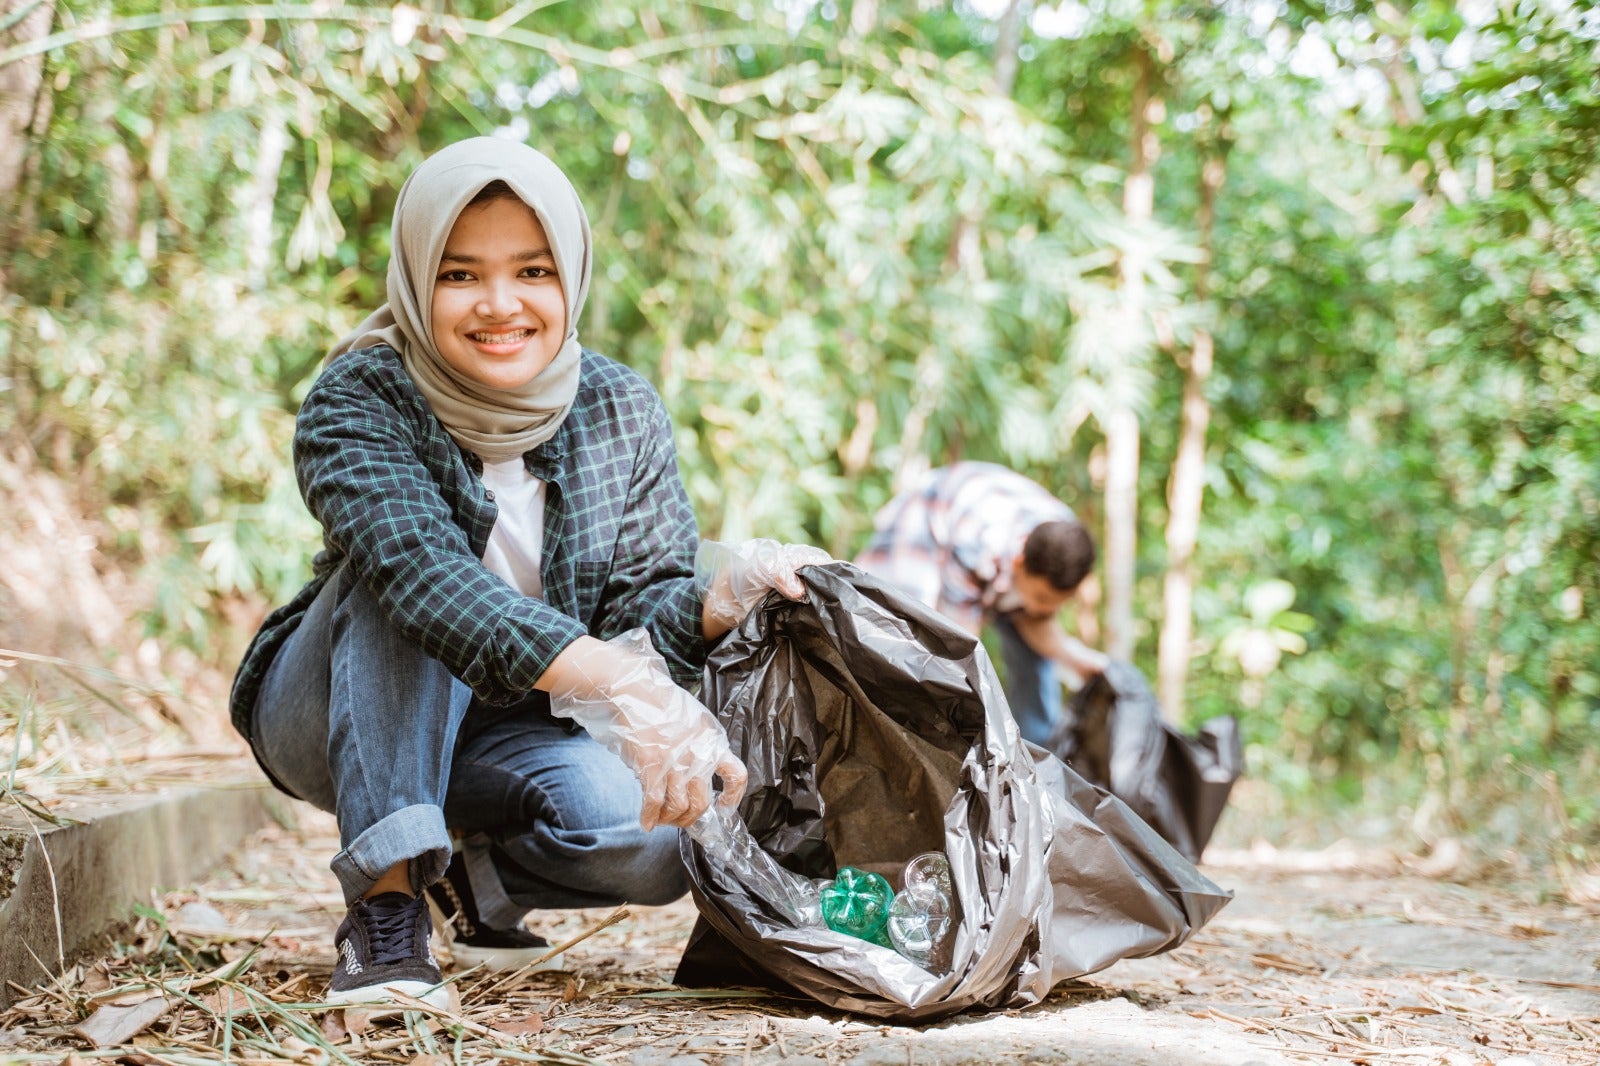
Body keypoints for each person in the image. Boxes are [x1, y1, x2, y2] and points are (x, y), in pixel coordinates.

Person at [228, 138, 826, 1011]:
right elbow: (420, 576)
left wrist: (711, 604)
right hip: (332, 713)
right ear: (416, 274)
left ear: (571, 276)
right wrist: (618, 677)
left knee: (656, 841)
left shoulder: (621, 411)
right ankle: (385, 910)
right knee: (419, 587)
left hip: (515, 732)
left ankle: (475, 879)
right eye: (460, 274)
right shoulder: (358, 398)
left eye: (533, 271)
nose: (500, 305)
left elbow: (639, 613)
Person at [854, 461, 1106, 746]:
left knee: (1035, 666)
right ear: (1018, 563)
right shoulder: (977, 545)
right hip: (935, 517)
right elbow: (958, 644)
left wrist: (1088, 666)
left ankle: (1037, 758)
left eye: (1056, 602)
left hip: (1001, 549)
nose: (1043, 611)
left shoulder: (1067, 544)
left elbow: (1041, 626)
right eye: (1041, 598)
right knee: (909, 643)